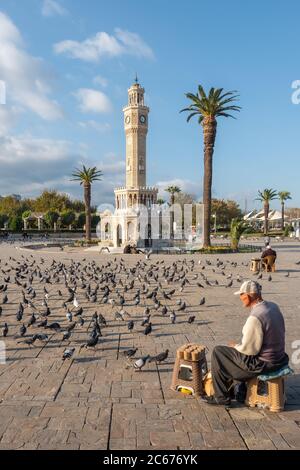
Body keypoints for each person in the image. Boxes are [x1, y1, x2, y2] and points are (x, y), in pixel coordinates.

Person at [203, 280, 289, 406]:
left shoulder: (255, 317)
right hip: (279, 358)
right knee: (232, 354)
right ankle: (241, 390)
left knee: (218, 352)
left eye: (241, 295)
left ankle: (221, 397)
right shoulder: (273, 306)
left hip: (264, 364)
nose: (240, 298)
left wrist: (236, 346)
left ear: (248, 296)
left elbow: (249, 350)